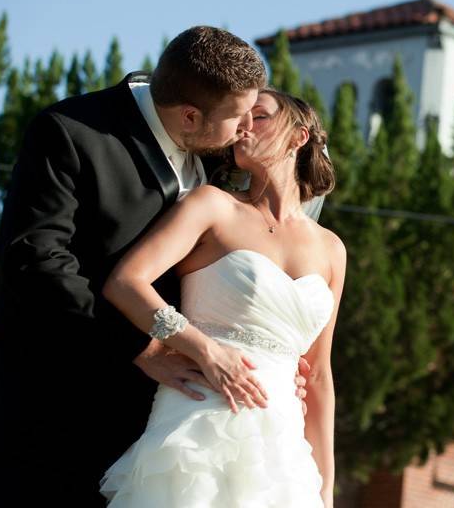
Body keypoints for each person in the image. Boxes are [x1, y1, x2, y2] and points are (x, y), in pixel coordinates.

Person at [0, 27, 315, 507]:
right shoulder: (72, 132)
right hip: (56, 414)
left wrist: (273, 355)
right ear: (190, 115)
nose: (247, 130)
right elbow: (36, 261)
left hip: (170, 431)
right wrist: (142, 347)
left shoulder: (218, 159)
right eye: (239, 117)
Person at [99, 89, 344, 507]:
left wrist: (324, 484)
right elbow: (126, 281)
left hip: (282, 452)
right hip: (197, 421)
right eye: (241, 116)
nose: (244, 125)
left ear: (299, 137)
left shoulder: (331, 249)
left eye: (260, 116)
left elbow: (318, 374)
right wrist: (204, 350)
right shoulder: (212, 206)